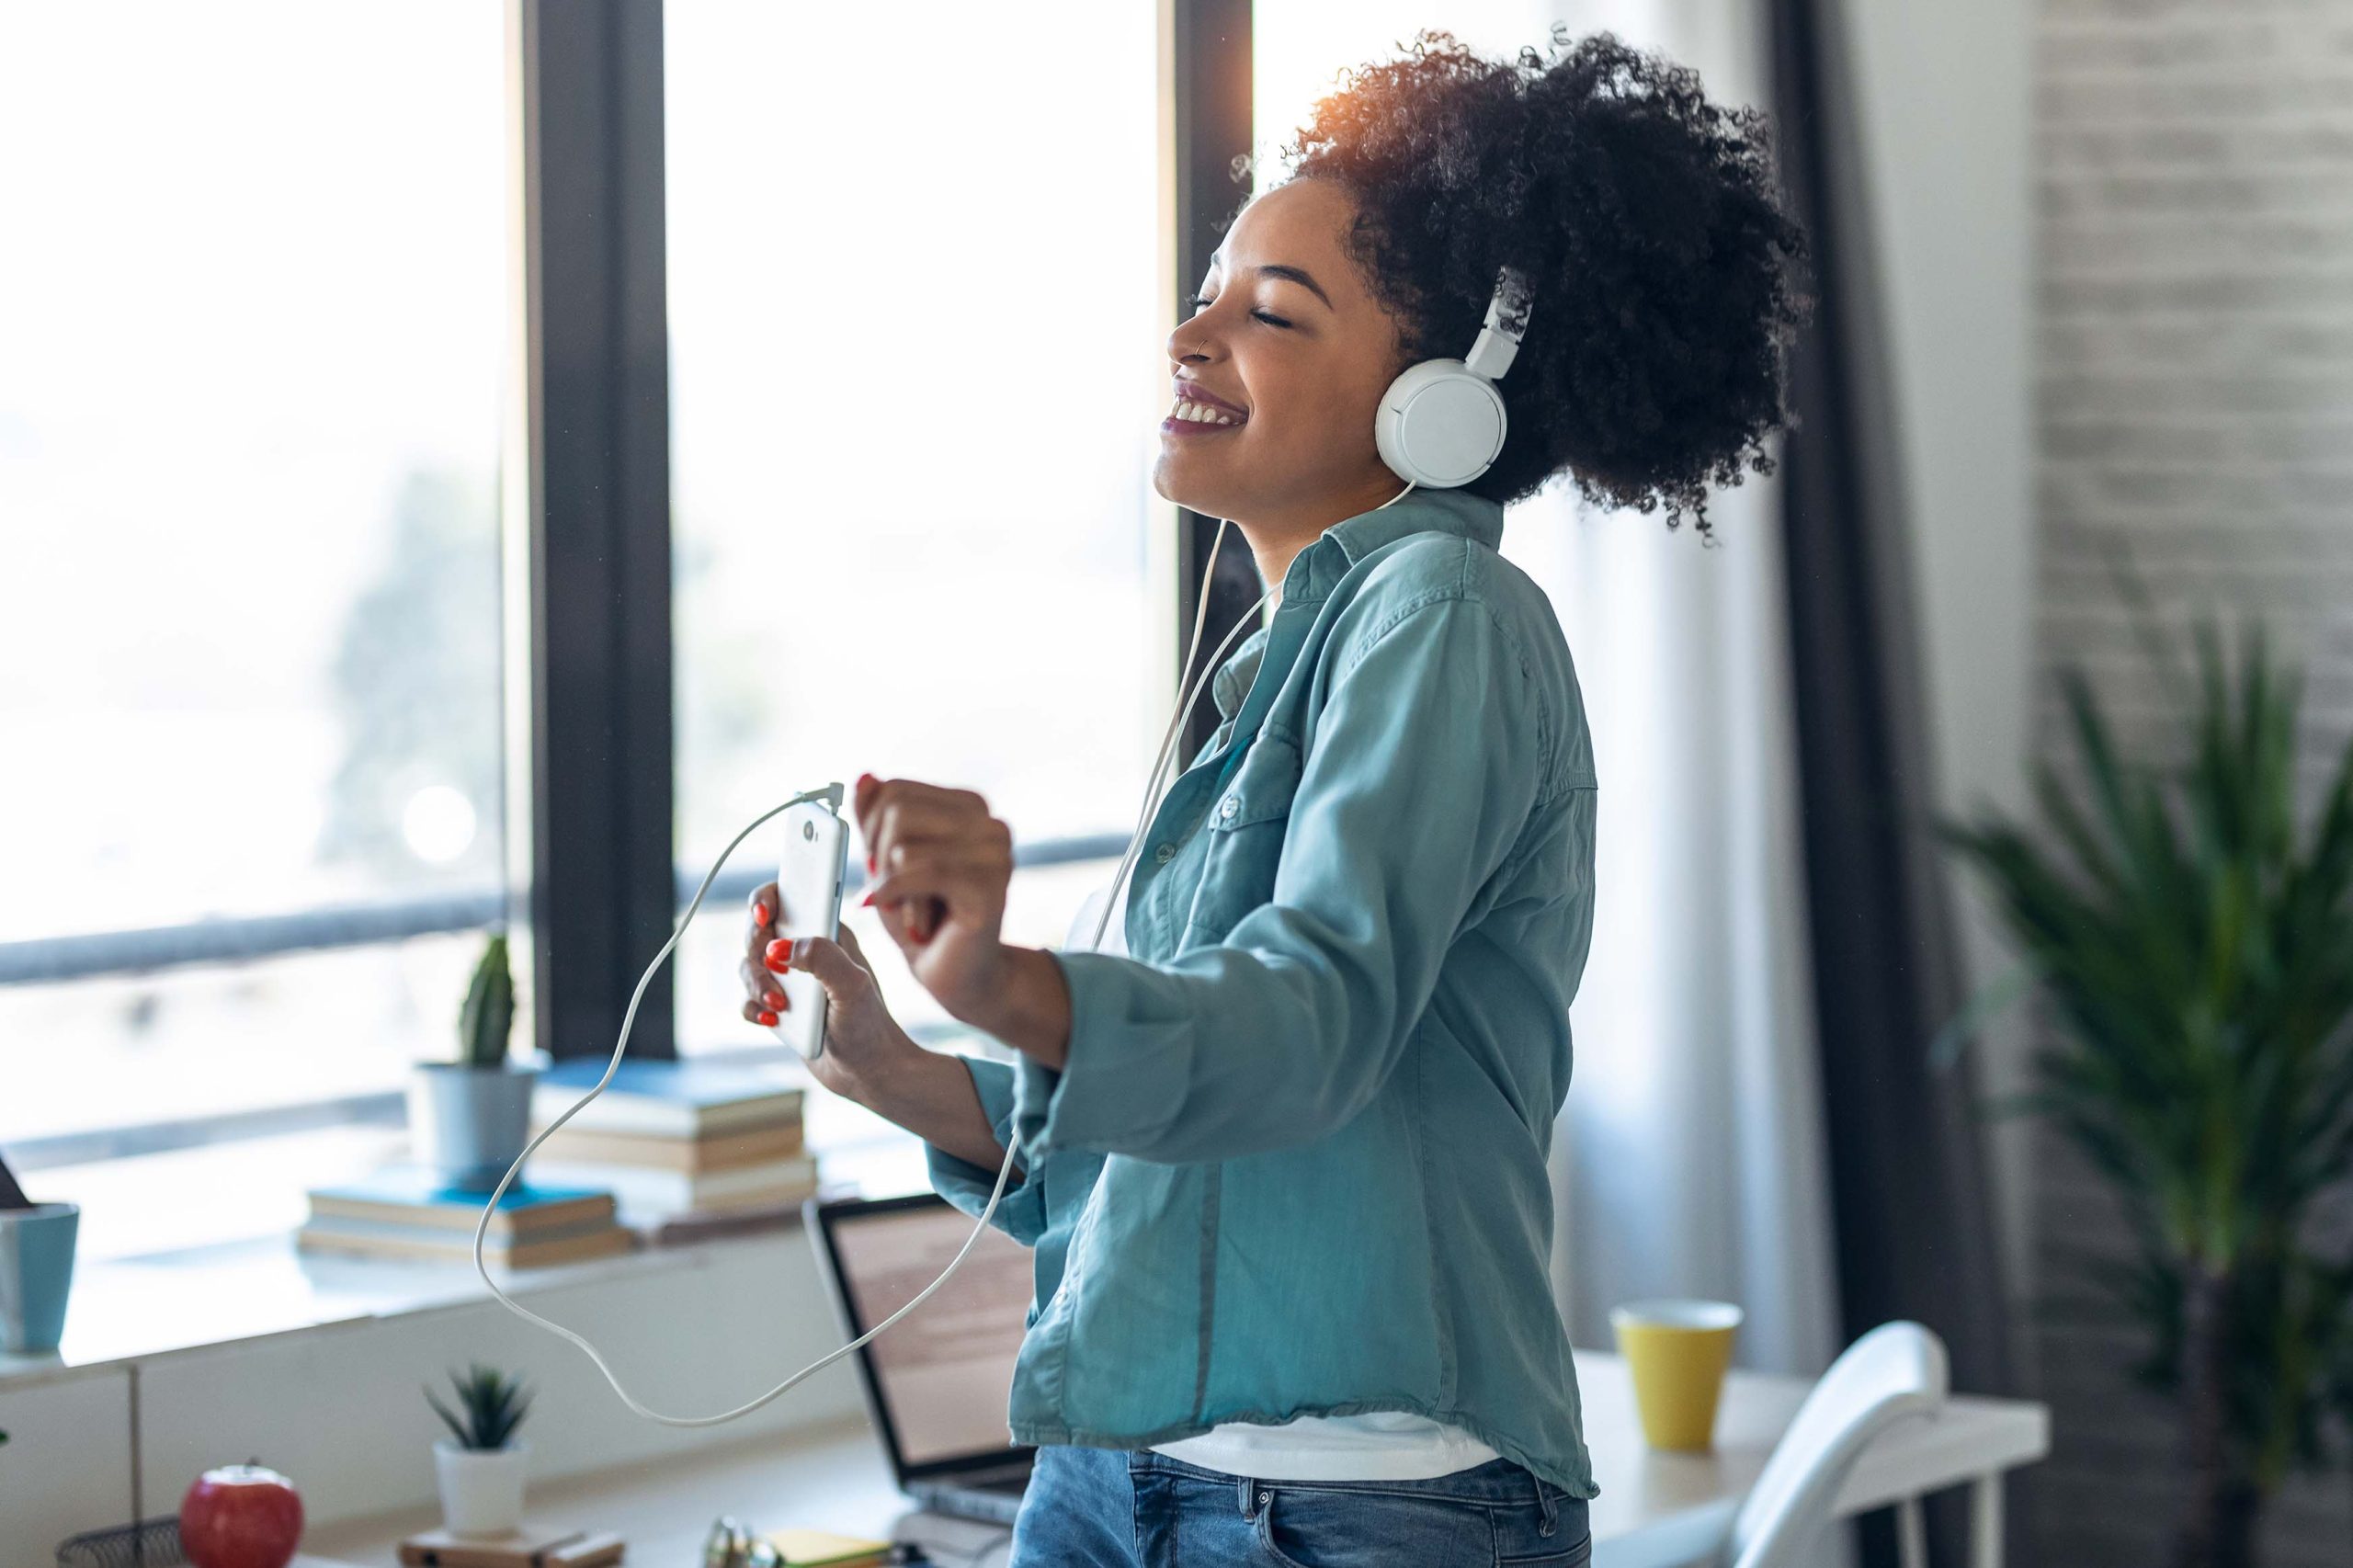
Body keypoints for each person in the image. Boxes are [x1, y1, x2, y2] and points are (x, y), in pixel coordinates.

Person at [739, 27, 1808, 1568]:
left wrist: (1015, 978)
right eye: (1207, 291)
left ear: (1439, 399)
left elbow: (1306, 1024)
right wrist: (906, 1063)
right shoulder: (1272, 670)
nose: (1190, 337)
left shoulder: (1444, 615)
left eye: (1272, 312)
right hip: (1119, 1481)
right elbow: (1198, 1155)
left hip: (1364, 1504)